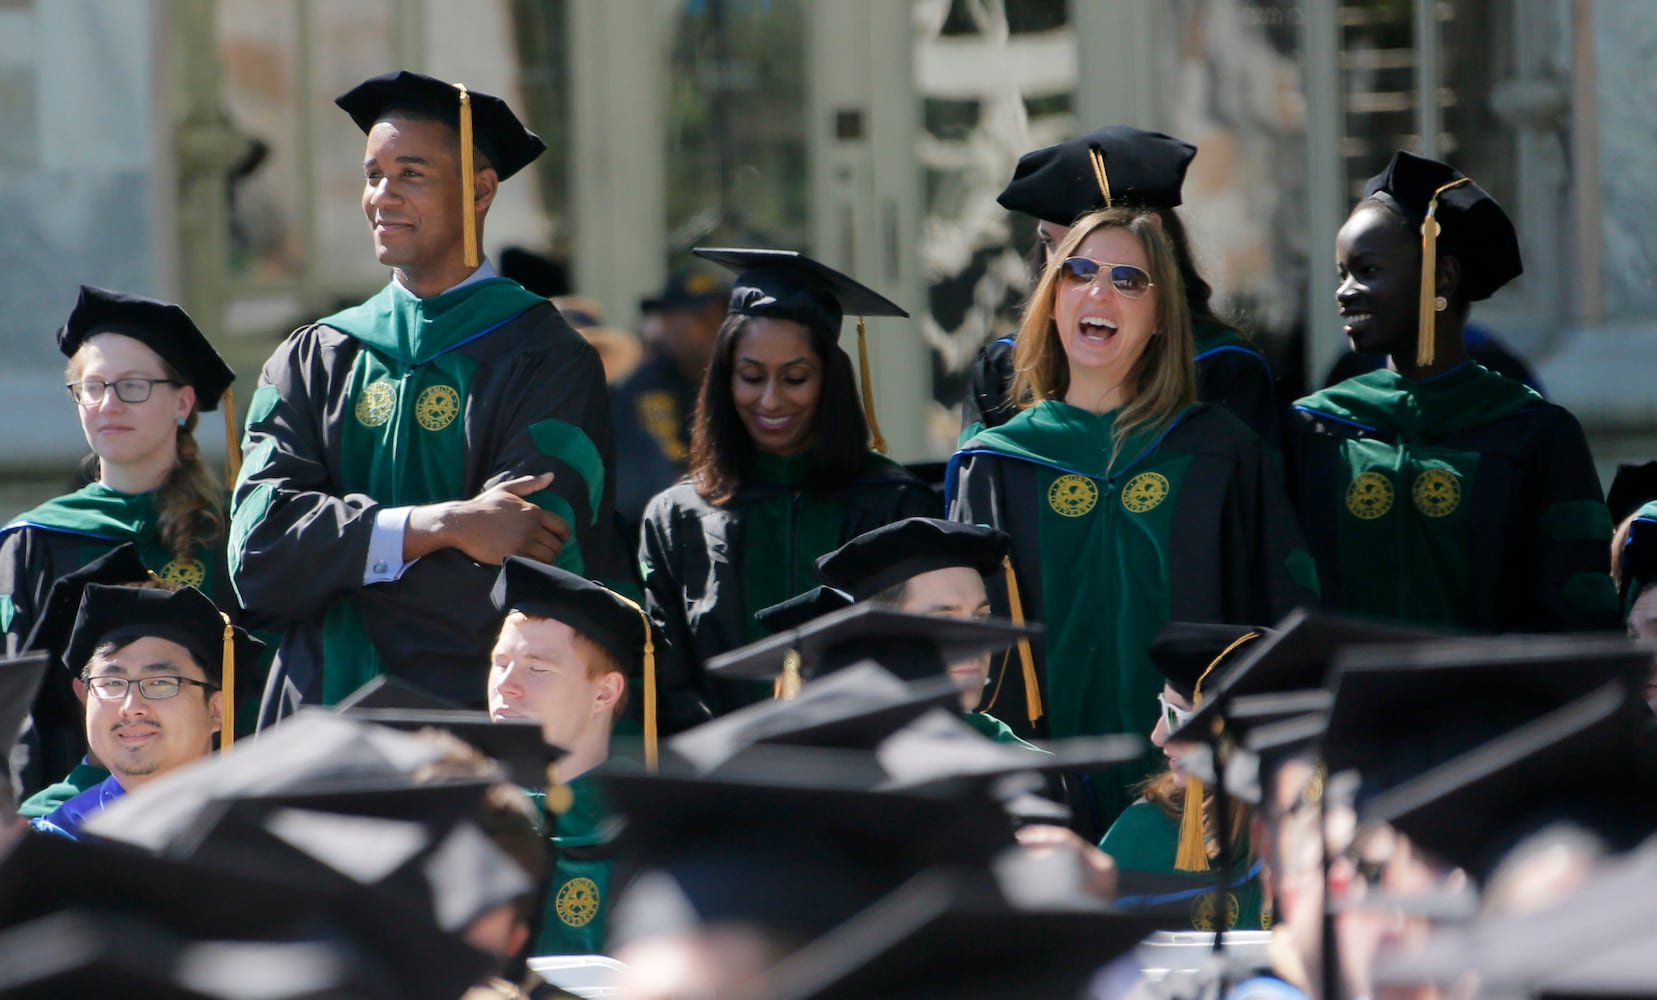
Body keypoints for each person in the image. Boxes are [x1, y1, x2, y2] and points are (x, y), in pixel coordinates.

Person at [231, 71, 618, 719]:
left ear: (479, 190)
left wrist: (334, 565)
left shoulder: (548, 359)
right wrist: (440, 527)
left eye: (410, 174)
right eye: (372, 174)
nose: (381, 196)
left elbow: (529, 568)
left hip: (467, 722)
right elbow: (258, 556)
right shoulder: (316, 357)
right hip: (311, 728)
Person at [949, 207, 1319, 832]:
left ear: (1159, 319)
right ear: (1052, 299)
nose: (1100, 290)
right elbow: (964, 646)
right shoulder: (994, 465)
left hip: (1195, 792)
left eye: (1129, 280)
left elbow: (1278, 617)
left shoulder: (1217, 453)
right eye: (1080, 272)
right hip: (1041, 797)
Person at [1285, 150, 1618, 633]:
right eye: (1343, 273)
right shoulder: (1311, 430)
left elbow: (1579, 614)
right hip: (1350, 705)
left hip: (1491, 705)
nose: (1345, 290)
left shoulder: (1533, 433)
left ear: (1441, 276)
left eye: (1368, 270)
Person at [639, 249, 941, 719]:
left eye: (796, 378)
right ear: (724, 379)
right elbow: (668, 674)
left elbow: (918, 662)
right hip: (720, 776)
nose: (770, 399)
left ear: (831, 381)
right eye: (751, 376)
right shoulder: (679, 515)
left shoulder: (894, 505)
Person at [1, 286, 239, 792]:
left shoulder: (231, 530)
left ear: (183, 401)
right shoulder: (35, 540)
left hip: (214, 796)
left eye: (132, 386)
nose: (109, 404)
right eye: (93, 387)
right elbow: (18, 702)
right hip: (72, 803)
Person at [963, 126, 1277, 445]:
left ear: (1149, 236)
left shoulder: (1220, 364)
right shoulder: (1006, 367)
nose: (1057, 266)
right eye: (1049, 242)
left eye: (1080, 248)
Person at [489, 555, 651, 958]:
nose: (506, 686)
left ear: (605, 693)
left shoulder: (647, 847)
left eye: (537, 669)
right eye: (500, 663)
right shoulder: (466, 822)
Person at [31, 583, 260, 839]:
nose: (131, 707)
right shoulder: (55, 840)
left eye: (161, 683)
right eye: (111, 683)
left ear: (217, 710)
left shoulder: (268, 834)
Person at [811, 516, 1029, 743]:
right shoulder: (820, 762)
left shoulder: (1029, 766)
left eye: (979, 618)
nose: (974, 645)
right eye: (945, 621)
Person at [611, 269, 730, 546]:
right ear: (666, 323)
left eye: (722, 316)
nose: (716, 327)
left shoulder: (732, 380)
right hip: (665, 541)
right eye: (701, 318)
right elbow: (674, 475)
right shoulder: (649, 390)